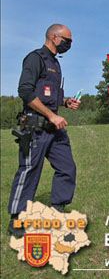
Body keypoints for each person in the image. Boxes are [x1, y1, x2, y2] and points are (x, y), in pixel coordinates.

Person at [8, 24, 80, 238]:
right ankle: (17, 220)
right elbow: (25, 92)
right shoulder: (35, 58)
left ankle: (58, 209)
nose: (69, 44)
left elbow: (51, 96)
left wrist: (66, 103)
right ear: (54, 36)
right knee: (29, 171)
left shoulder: (55, 64)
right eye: (67, 40)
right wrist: (51, 115)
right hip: (35, 125)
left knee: (67, 167)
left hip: (54, 128)